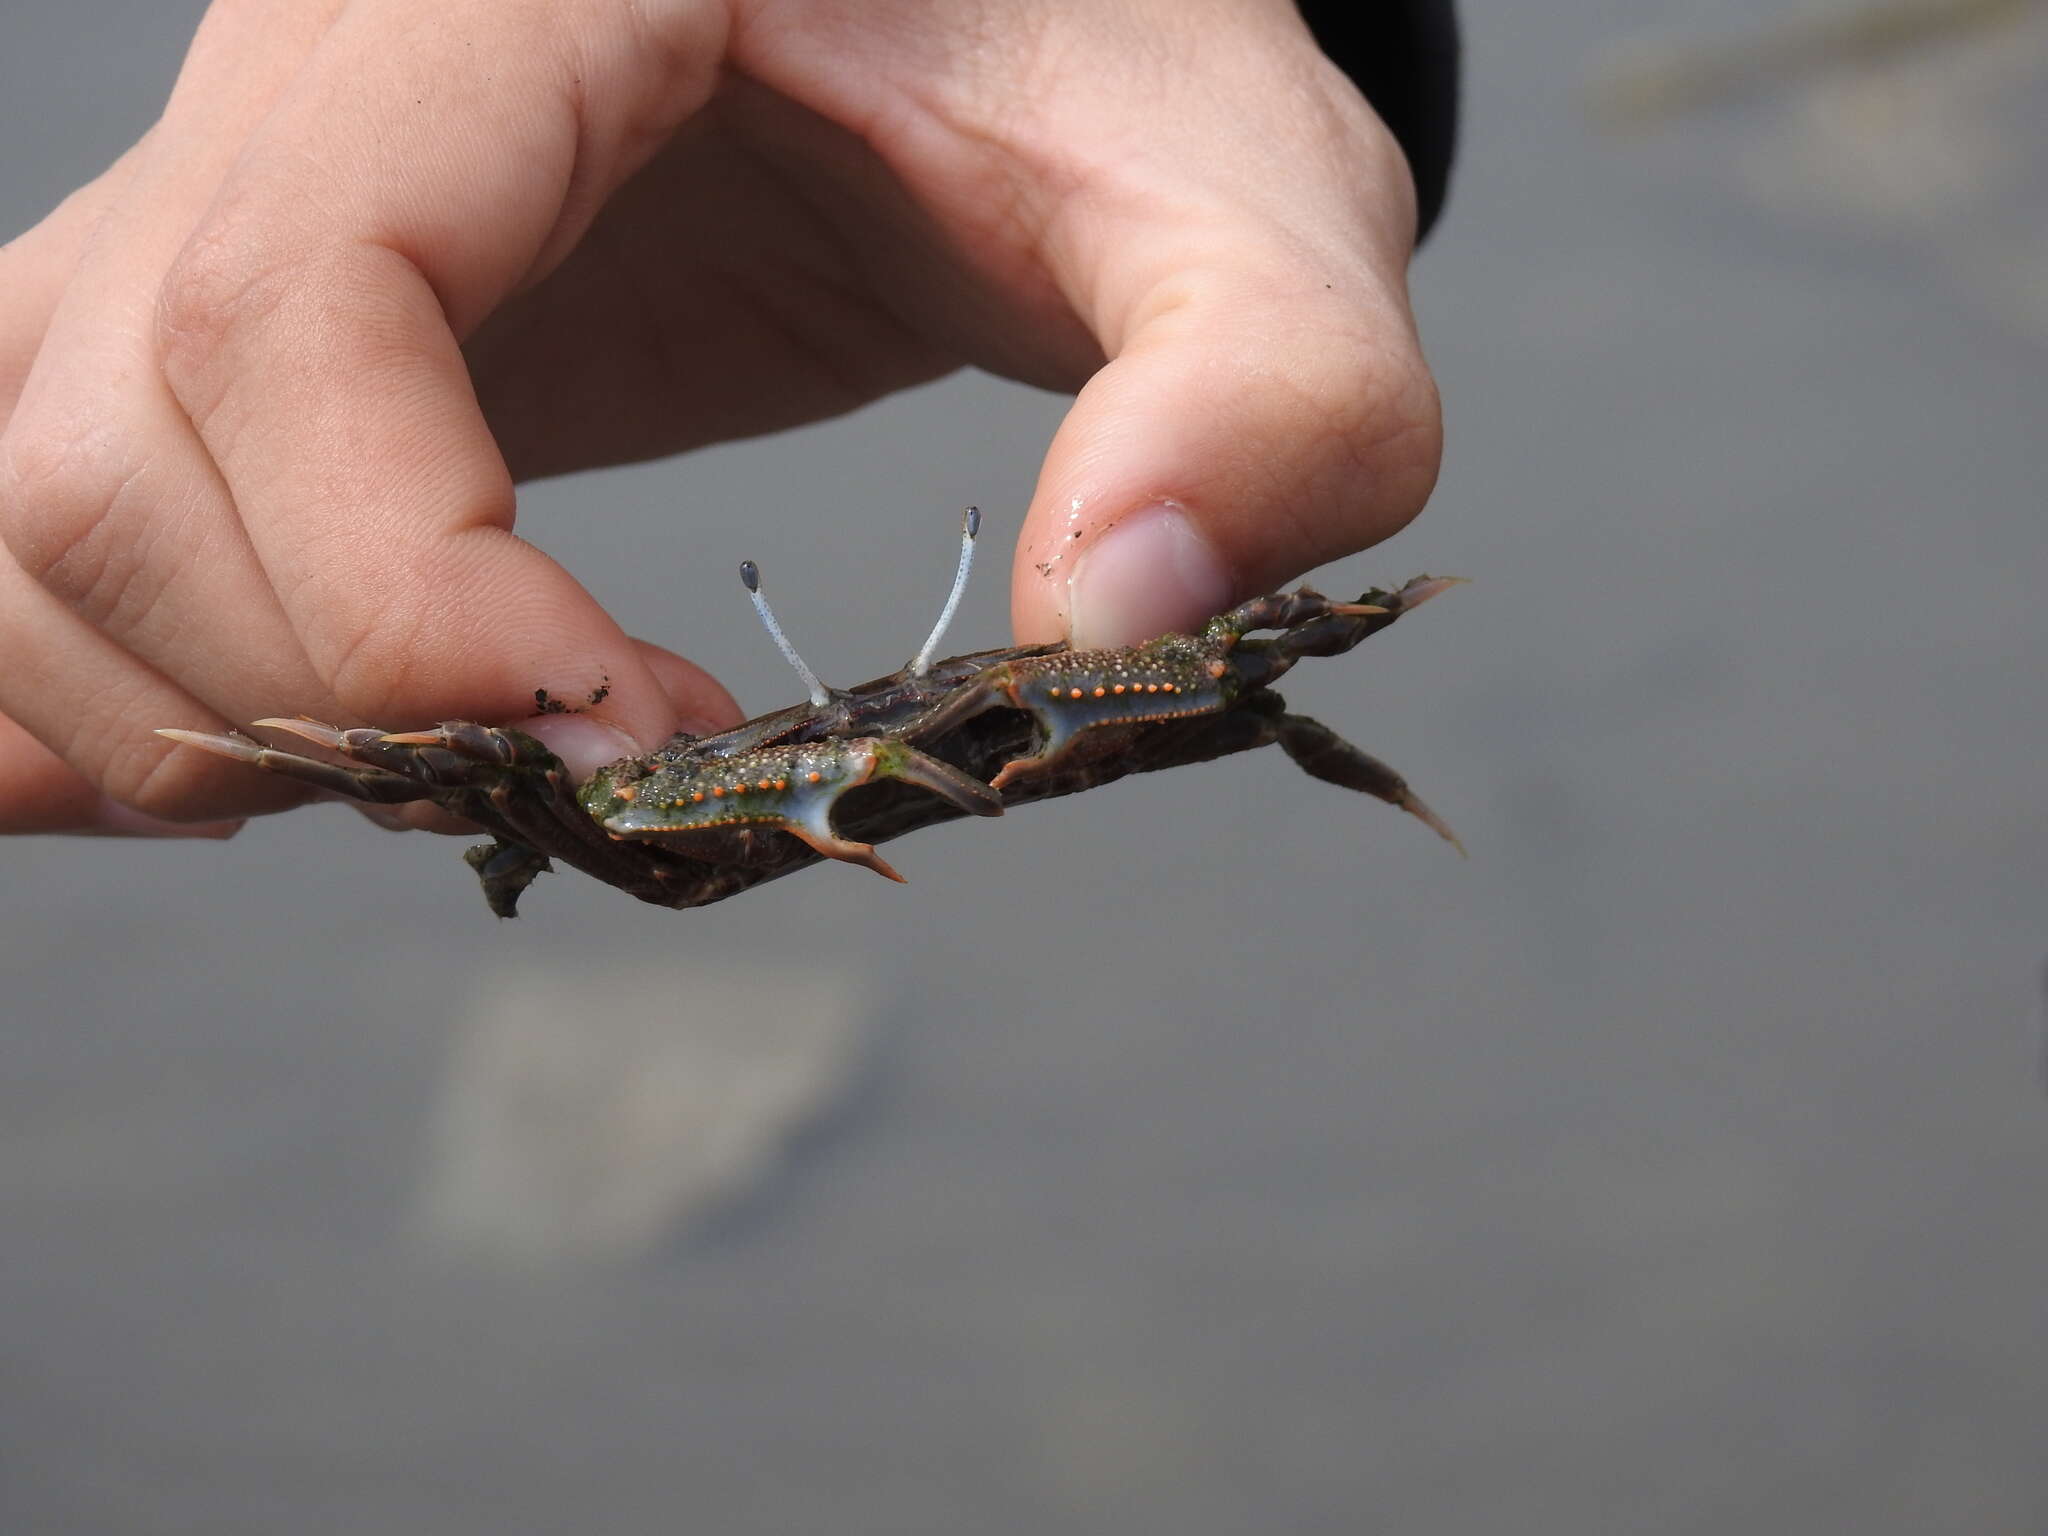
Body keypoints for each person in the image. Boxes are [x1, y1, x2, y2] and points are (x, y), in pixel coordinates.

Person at [0, 0, 1457, 837]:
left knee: (1242, 666)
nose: (881, 748)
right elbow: (503, 776)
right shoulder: (667, 784)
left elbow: (1272, 653)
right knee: (462, 740)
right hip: (691, 794)